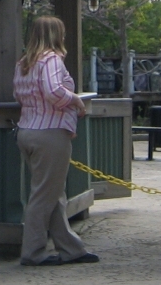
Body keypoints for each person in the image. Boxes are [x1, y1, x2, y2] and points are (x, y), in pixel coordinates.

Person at [14, 16, 99, 266]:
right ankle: (33, 252)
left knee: (53, 193)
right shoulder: (51, 59)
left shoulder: (23, 63)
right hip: (50, 133)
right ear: (55, 35)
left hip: (27, 130)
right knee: (43, 195)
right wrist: (75, 100)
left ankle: (71, 248)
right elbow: (53, 91)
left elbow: (17, 94)